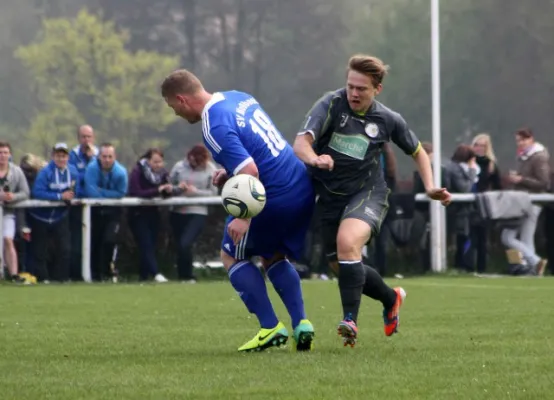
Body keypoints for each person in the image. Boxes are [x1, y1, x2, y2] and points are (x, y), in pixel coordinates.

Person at [293, 54, 451, 347]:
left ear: (376, 89)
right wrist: (315, 158)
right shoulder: (330, 104)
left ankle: (349, 320)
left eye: (362, 89)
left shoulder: (389, 120)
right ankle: (391, 299)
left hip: (367, 193)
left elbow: (417, 151)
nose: (353, 93)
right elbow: (301, 143)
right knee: (340, 265)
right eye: (350, 86)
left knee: (347, 243)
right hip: (329, 197)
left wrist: (430, 186)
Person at [161, 69, 315, 352]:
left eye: (173, 107)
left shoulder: (212, 125)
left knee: (231, 254)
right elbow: (257, 148)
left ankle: (270, 328)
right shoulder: (238, 98)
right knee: (273, 256)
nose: (176, 114)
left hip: (272, 195)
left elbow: (251, 169)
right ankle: (301, 324)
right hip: (300, 185)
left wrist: (244, 218)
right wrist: (229, 171)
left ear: (182, 100)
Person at [29, 143, 82, 282]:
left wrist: (73, 196)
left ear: (68, 157)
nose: (61, 159)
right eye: (58, 156)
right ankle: (43, 278)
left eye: (63, 156)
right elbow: (37, 192)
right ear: (53, 156)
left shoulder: (74, 172)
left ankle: (61, 278)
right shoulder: (46, 172)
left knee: (65, 248)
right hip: (41, 216)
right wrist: (59, 196)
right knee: (40, 250)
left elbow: (78, 190)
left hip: (60, 216)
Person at [169, 144, 217, 283]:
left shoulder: (211, 169)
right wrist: (178, 188)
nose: (192, 164)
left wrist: (195, 192)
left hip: (197, 211)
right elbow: (169, 186)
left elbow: (213, 193)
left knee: (186, 243)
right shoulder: (179, 167)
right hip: (178, 211)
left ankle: (189, 275)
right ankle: (182, 275)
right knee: (180, 245)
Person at [504, 128, 549, 275]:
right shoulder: (524, 156)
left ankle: (535, 262)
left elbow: (543, 182)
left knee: (508, 237)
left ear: (531, 139)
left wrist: (521, 179)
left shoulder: (539, 157)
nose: (520, 143)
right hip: (523, 201)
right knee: (526, 238)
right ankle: (534, 269)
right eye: (518, 140)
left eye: (523, 140)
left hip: (532, 202)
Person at [84, 143, 128, 281]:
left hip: (113, 212)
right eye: (104, 156)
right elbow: (90, 192)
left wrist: (100, 192)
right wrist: (108, 194)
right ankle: (95, 276)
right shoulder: (91, 168)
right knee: (94, 243)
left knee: (109, 241)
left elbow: (121, 193)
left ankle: (108, 271)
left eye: (110, 156)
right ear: (99, 156)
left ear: (114, 157)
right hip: (95, 212)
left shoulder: (121, 172)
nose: (107, 160)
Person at [128, 148, 171, 283]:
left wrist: (168, 190)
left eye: (160, 162)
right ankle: (155, 273)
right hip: (137, 213)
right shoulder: (137, 171)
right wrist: (156, 190)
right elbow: (136, 192)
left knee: (150, 245)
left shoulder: (163, 174)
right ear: (148, 160)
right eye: (155, 162)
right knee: (145, 243)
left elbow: (165, 193)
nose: (158, 165)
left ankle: (144, 276)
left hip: (153, 213)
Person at [68, 125, 98, 281]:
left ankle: (95, 273)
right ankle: (76, 275)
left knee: (96, 242)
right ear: (78, 138)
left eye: (89, 137)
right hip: (78, 206)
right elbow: (75, 178)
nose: (87, 140)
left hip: (97, 207)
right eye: (83, 137)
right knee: (77, 243)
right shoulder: (72, 156)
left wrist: (93, 159)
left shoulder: (100, 155)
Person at [470, 133, 502, 273]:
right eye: (476, 145)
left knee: (482, 238)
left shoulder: (491, 165)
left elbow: (497, 186)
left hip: (484, 205)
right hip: (469, 204)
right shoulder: (468, 161)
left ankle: (482, 268)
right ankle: (467, 267)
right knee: (469, 237)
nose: (479, 148)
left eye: (482, 145)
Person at [0, 142, 30, 282]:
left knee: (8, 239)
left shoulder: (16, 171)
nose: (2, 156)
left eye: (5, 152)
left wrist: (13, 197)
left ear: (10, 154)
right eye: (0, 153)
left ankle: (13, 274)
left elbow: (25, 192)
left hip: (8, 212)